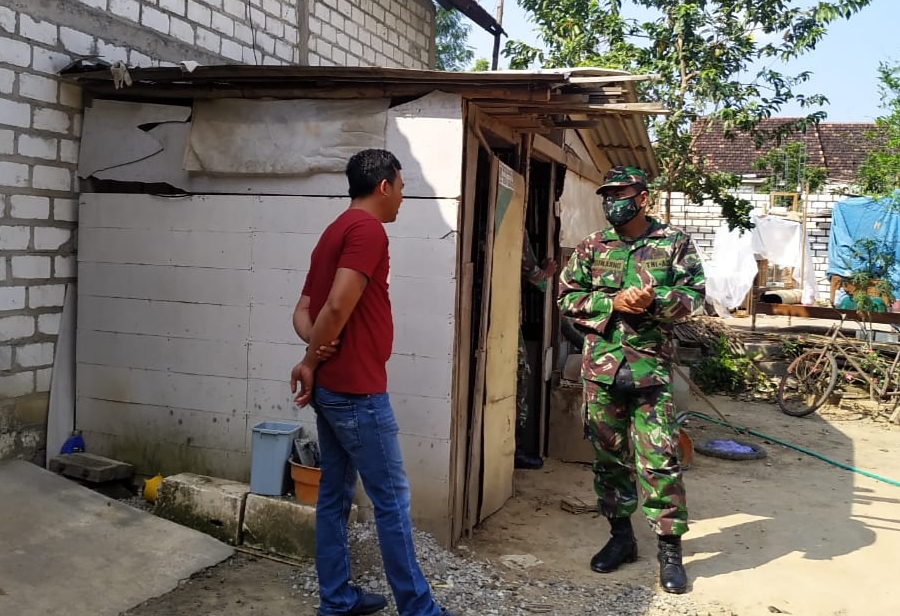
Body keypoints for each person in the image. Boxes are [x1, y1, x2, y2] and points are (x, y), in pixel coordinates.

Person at [290, 149, 455, 616]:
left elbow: (304, 312)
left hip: (332, 389)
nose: (402, 197)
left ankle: (337, 599)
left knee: (334, 498)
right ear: (383, 185)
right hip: (357, 393)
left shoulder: (332, 231)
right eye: (401, 187)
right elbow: (336, 309)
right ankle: (418, 609)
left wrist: (316, 352)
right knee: (391, 502)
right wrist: (311, 356)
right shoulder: (367, 231)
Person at [556, 165, 705, 594]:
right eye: (606, 195)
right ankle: (621, 538)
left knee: (660, 462)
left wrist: (656, 300)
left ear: (642, 197)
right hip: (602, 371)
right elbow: (567, 297)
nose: (610, 202)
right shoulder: (592, 246)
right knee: (608, 461)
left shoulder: (673, 243)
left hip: (650, 373)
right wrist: (613, 301)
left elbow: (694, 296)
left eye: (619, 193)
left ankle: (669, 552)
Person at [515, 232, 557, 470]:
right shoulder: (515, 228)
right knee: (520, 379)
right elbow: (536, 277)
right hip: (506, 321)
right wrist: (547, 273)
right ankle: (515, 451)